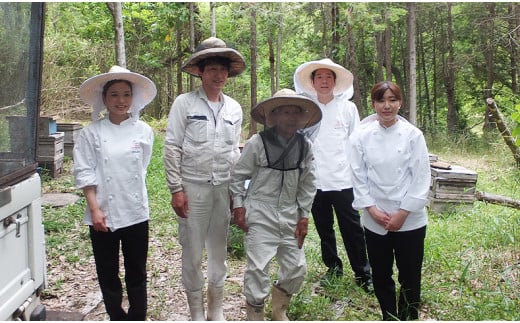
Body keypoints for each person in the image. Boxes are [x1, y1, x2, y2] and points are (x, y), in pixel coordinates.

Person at [163, 37, 246, 321]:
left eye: (222, 69)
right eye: (212, 68)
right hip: (192, 187)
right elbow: (172, 146)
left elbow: (235, 152)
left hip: (222, 189)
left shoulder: (234, 108)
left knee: (218, 251)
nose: (218, 74)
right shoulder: (184, 103)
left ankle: (216, 309)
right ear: (200, 71)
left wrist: (237, 195)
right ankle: (196, 312)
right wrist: (176, 189)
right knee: (193, 252)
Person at [73, 65, 157, 320]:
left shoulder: (144, 131)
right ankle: (116, 315)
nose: (121, 101)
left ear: (133, 99)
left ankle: (137, 316)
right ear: (104, 99)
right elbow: (85, 172)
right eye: (114, 95)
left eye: (126, 95)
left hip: (135, 211)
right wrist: (95, 209)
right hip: (103, 213)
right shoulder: (91, 133)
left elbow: (142, 167)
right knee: (107, 271)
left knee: (137, 271)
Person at [230, 89, 322, 321]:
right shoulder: (257, 143)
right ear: (274, 116)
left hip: (291, 212)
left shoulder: (305, 146)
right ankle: (256, 314)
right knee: (258, 268)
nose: (290, 117)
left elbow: (308, 184)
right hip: (260, 210)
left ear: (302, 118)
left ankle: (279, 309)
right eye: (285, 112)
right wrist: (239, 206)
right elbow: (238, 176)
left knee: (296, 268)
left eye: (295, 112)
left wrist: (304, 215)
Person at [349, 81, 431, 320]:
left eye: (392, 100)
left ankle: (408, 316)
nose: (387, 106)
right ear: (373, 103)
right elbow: (358, 174)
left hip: (410, 219)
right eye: (381, 100)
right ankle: (388, 316)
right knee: (381, 273)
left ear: (400, 102)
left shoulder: (413, 135)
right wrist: (372, 209)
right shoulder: (361, 136)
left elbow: (421, 176)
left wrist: (403, 213)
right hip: (375, 218)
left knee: (410, 274)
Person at [293, 58, 373, 292]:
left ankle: (363, 272)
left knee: (352, 228)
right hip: (314, 179)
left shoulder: (347, 108)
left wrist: (360, 177)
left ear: (335, 82)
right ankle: (333, 267)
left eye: (329, 77)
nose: (324, 81)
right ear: (312, 81)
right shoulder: (306, 107)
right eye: (320, 77)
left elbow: (357, 143)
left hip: (343, 179)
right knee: (324, 227)